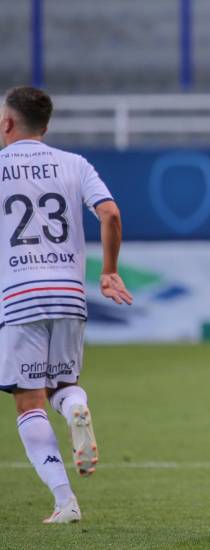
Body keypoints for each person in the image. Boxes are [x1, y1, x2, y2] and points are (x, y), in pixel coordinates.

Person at [0, 86, 132, 524]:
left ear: (7, 123)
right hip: (68, 294)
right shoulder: (74, 164)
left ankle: (65, 501)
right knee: (61, 387)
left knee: (28, 401)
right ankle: (75, 405)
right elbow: (110, 213)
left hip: (19, 296)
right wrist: (109, 270)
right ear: (47, 125)